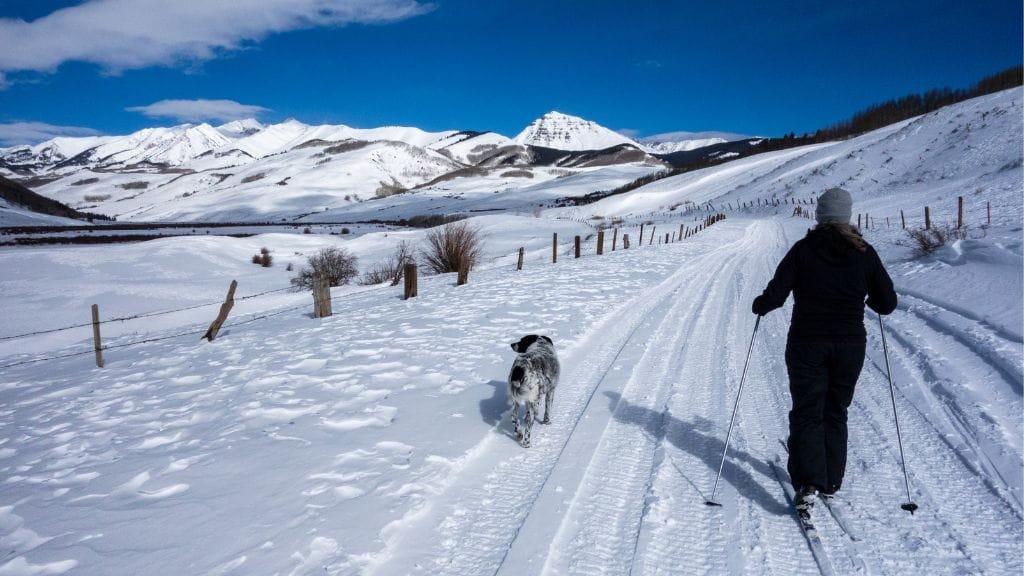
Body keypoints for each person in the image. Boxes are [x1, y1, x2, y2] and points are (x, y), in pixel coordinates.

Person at [751, 187, 897, 516]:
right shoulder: (864, 251)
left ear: (819, 215)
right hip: (850, 345)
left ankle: (808, 483)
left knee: (807, 410)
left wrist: (761, 305)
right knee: (835, 409)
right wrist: (869, 300)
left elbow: (776, 293)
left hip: (807, 342)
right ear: (847, 215)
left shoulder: (804, 250)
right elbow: (887, 303)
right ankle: (831, 480)